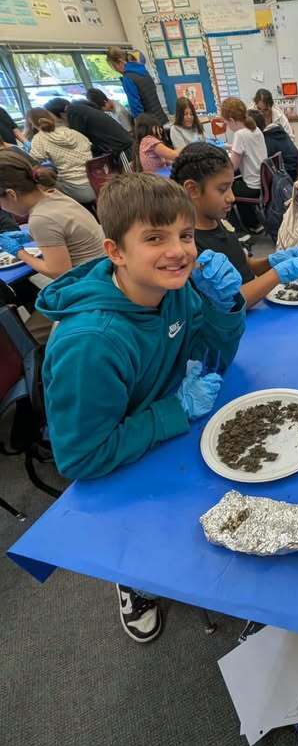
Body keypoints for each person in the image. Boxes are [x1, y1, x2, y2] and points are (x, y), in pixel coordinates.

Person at [36, 173, 246, 642]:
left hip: (165, 425)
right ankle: (130, 580)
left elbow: (215, 359)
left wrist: (225, 307)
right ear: (115, 251)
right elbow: (81, 458)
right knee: (143, 542)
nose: (180, 250)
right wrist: (174, 411)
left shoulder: (175, 288)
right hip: (117, 456)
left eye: (185, 235)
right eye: (155, 238)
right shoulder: (91, 343)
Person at [171, 142, 298, 307]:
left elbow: (245, 266)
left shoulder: (218, 221)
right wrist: (278, 274)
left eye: (231, 187)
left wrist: (272, 261)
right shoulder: (187, 246)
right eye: (222, 190)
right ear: (192, 190)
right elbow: (231, 302)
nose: (232, 197)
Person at [0, 149, 104, 280]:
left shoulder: (40, 219)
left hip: (93, 279)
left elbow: (59, 272)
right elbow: (63, 231)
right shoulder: (53, 193)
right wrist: (30, 236)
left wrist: (19, 253)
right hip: (104, 267)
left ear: (11, 194)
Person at [25, 108, 95, 205]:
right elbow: (88, 145)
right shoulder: (71, 132)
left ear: (31, 123)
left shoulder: (40, 138)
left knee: (42, 177)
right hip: (96, 183)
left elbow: (32, 162)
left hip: (76, 189)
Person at [220, 97, 267, 234]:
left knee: (226, 189)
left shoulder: (240, 135)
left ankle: (239, 229)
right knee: (236, 183)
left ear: (232, 120)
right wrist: (227, 146)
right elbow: (247, 147)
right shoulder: (255, 129)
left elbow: (232, 167)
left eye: (227, 123)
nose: (228, 127)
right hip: (263, 183)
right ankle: (254, 223)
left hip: (252, 186)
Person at [45, 95, 133, 163]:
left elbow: (78, 142)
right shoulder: (79, 109)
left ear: (59, 112)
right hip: (123, 147)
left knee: (131, 180)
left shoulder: (74, 113)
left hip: (123, 150)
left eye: (51, 116)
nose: (53, 120)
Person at [106, 46, 168, 124]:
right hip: (161, 117)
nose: (116, 70)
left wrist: (139, 126)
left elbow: (136, 107)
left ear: (120, 61)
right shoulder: (143, 70)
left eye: (114, 67)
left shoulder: (128, 78)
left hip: (150, 124)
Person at [248, 108, 298, 179]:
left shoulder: (266, 141)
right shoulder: (275, 132)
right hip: (295, 170)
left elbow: (258, 167)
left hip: (288, 176)